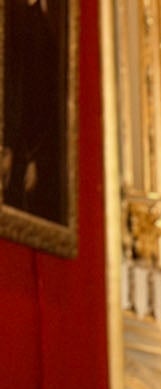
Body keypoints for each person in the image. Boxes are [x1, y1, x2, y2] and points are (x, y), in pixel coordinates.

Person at [1, 0, 69, 224]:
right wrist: (10, 146)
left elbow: (46, 101)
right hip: (19, 147)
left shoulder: (43, 23)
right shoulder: (17, 18)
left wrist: (34, 158)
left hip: (36, 150)